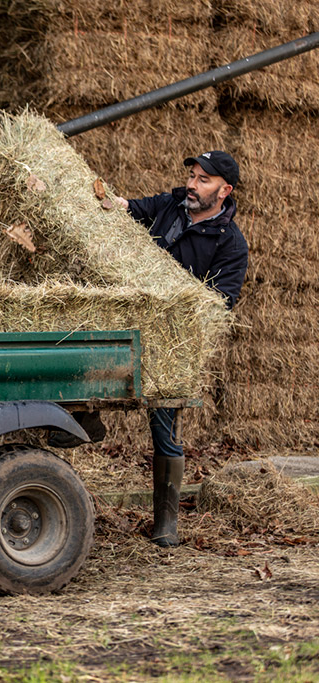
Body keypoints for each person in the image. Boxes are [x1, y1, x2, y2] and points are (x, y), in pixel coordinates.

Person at [115, 150, 249, 547]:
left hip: (172, 346)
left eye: (203, 180)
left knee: (165, 428)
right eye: (192, 175)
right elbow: (125, 209)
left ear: (224, 191)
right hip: (125, 324)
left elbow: (220, 303)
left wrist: (173, 306)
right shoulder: (169, 205)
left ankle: (166, 521)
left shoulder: (231, 244)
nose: (192, 184)